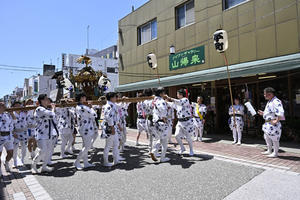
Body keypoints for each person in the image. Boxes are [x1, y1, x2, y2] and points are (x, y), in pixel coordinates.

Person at [32, 94, 57, 173]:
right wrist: (53, 108)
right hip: (41, 134)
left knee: (48, 151)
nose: (48, 101)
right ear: (42, 100)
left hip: (48, 134)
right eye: (46, 99)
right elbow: (52, 115)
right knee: (42, 151)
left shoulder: (46, 109)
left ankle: (44, 167)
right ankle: (33, 166)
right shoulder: (39, 109)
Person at [166, 88, 194, 156]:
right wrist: (165, 101)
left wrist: (169, 98)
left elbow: (179, 102)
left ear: (181, 94)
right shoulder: (178, 102)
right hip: (180, 122)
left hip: (187, 122)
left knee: (188, 137)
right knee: (176, 135)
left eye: (177, 94)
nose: (177, 95)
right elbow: (172, 104)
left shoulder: (185, 100)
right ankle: (182, 148)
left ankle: (191, 150)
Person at [258, 87, 285, 158]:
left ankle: (275, 153)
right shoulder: (270, 101)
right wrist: (263, 113)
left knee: (274, 139)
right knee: (267, 137)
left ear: (270, 94)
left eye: (265, 94)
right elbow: (270, 112)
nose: (264, 95)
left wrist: (276, 120)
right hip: (268, 123)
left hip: (273, 123)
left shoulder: (276, 101)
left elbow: (280, 112)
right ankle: (269, 150)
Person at [74, 93, 97, 170]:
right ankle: (77, 161)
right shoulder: (83, 107)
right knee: (87, 146)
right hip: (86, 128)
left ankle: (86, 162)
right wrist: (91, 107)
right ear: (81, 98)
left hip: (84, 128)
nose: (85, 98)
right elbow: (94, 115)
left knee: (85, 146)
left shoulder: (78, 106)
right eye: (84, 97)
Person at [101, 92, 123, 167]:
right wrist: (112, 127)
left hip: (114, 126)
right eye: (115, 97)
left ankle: (116, 160)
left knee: (116, 144)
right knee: (108, 145)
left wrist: (118, 125)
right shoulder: (109, 106)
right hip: (110, 127)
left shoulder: (112, 105)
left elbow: (115, 117)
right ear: (111, 98)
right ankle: (105, 161)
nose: (116, 98)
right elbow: (109, 118)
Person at [152, 87, 170, 162]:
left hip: (156, 122)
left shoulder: (155, 100)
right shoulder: (161, 101)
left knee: (158, 138)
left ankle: (154, 151)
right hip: (162, 122)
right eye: (163, 92)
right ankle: (162, 157)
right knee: (164, 141)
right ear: (161, 93)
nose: (164, 94)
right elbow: (163, 110)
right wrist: (164, 118)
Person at [11, 101, 28, 167]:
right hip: (15, 132)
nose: (18, 106)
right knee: (15, 148)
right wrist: (12, 132)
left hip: (24, 132)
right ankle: (14, 162)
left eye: (19, 105)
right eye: (16, 105)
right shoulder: (12, 114)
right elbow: (10, 124)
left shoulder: (24, 113)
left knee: (24, 147)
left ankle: (22, 160)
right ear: (14, 106)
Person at [0, 102, 15, 176]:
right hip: (0, 136)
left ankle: (6, 162)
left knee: (11, 154)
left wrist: (12, 113)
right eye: (2, 105)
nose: (4, 107)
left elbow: (14, 121)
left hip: (8, 136)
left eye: (4, 105)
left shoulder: (7, 114)